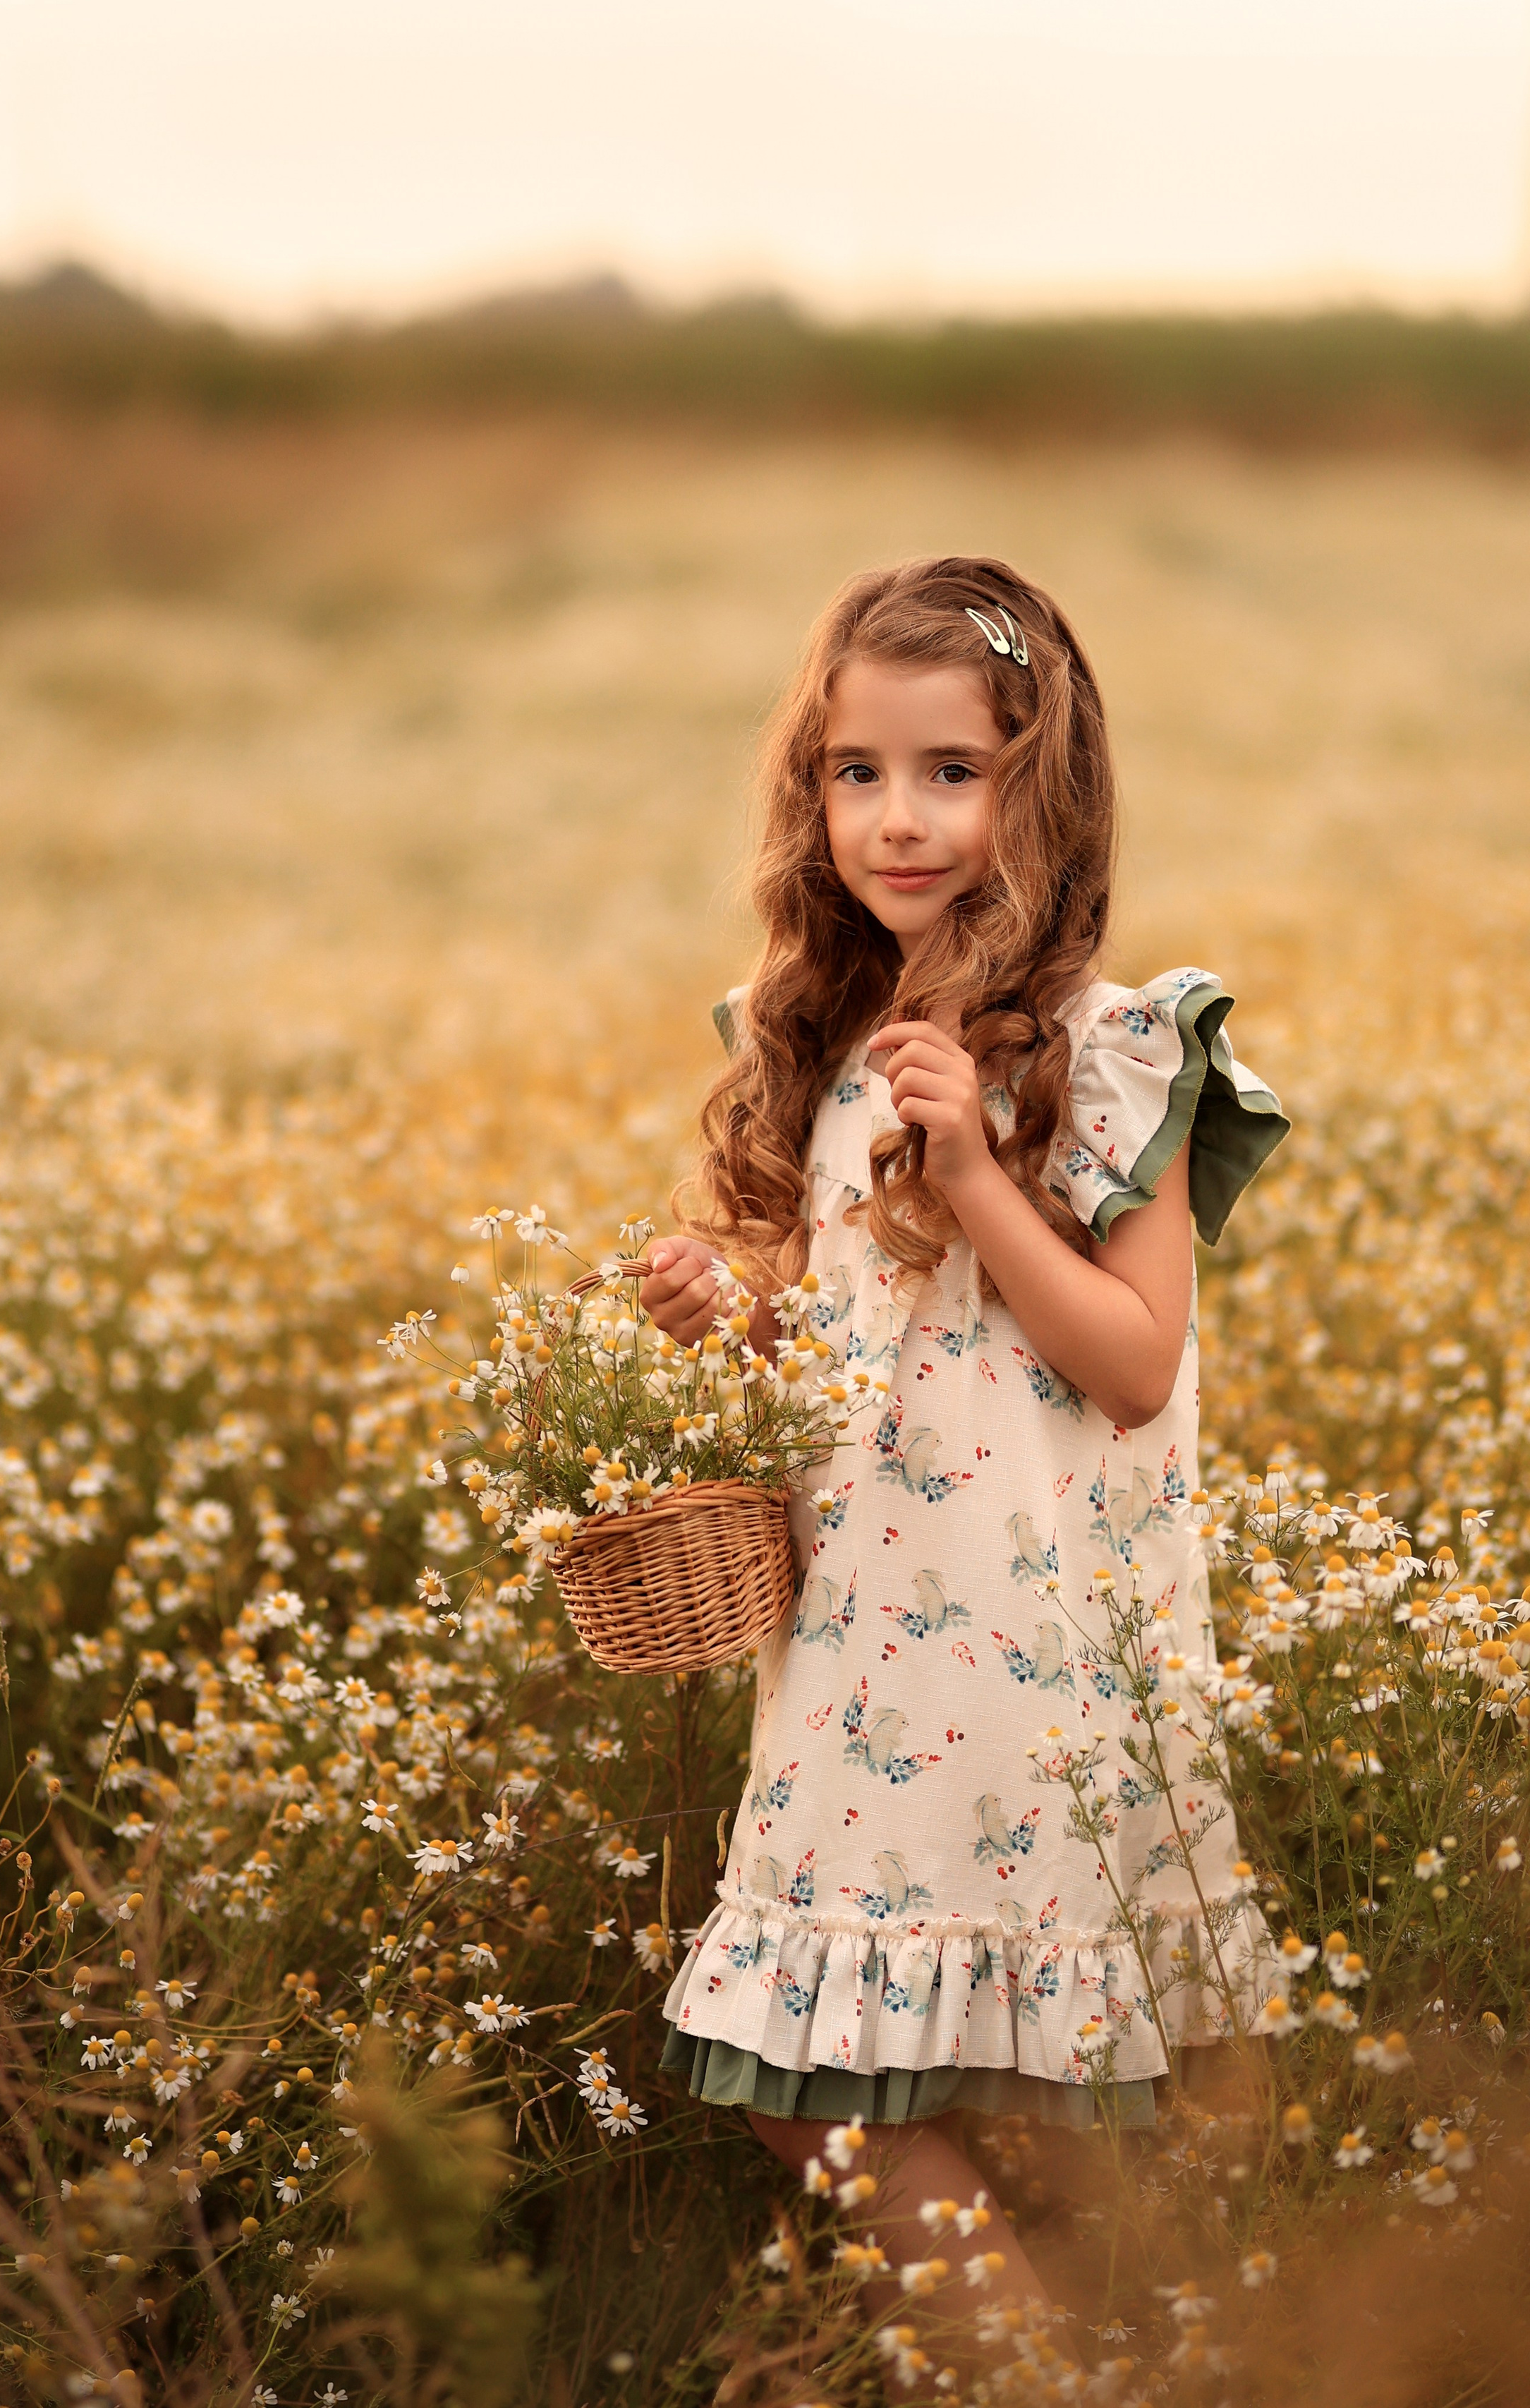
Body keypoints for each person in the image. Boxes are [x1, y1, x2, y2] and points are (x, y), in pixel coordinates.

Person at [639, 555, 1289, 2308]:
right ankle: (1038, 2366)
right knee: (801, 2078)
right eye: (856, 771)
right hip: (855, 1648)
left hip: (1032, 1655)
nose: (898, 819)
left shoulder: (1117, 1046)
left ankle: (1088, 2358)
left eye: (951, 771)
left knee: (1031, 2093)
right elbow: (833, 1351)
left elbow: (1132, 1366)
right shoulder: (814, 1036)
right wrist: (725, 1309)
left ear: (1039, 788)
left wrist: (979, 1175)